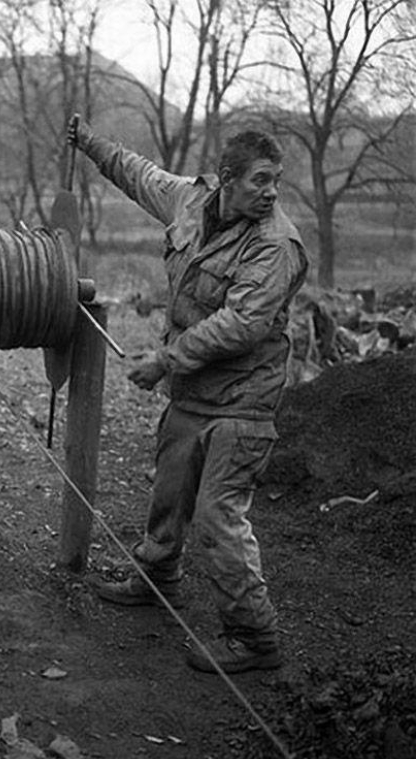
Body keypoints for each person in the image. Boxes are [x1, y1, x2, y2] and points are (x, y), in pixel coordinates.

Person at [68, 118, 308, 674]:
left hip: (244, 401)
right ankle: (159, 577)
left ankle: (254, 637)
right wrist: (90, 145)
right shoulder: (189, 202)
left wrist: (165, 361)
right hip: (193, 394)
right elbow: (138, 175)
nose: (271, 192)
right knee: (169, 492)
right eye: (260, 180)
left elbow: (243, 324)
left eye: (276, 181)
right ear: (226, 179)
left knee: (217, 516)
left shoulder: (275, 245)